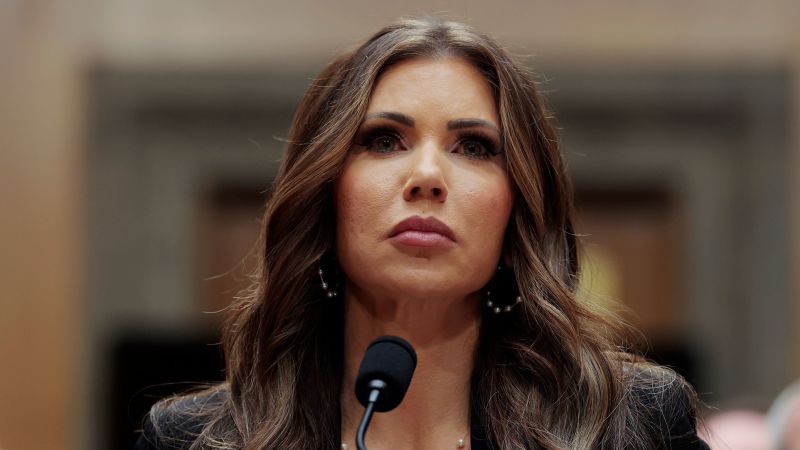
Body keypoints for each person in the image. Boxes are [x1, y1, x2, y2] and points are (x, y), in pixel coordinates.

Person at [135, 16, 708, 449]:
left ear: (517, 212)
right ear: (325, 192)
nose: (428, 176)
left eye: (474, 147)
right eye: (384, 140)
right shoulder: (196, 440)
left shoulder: (631, 427)